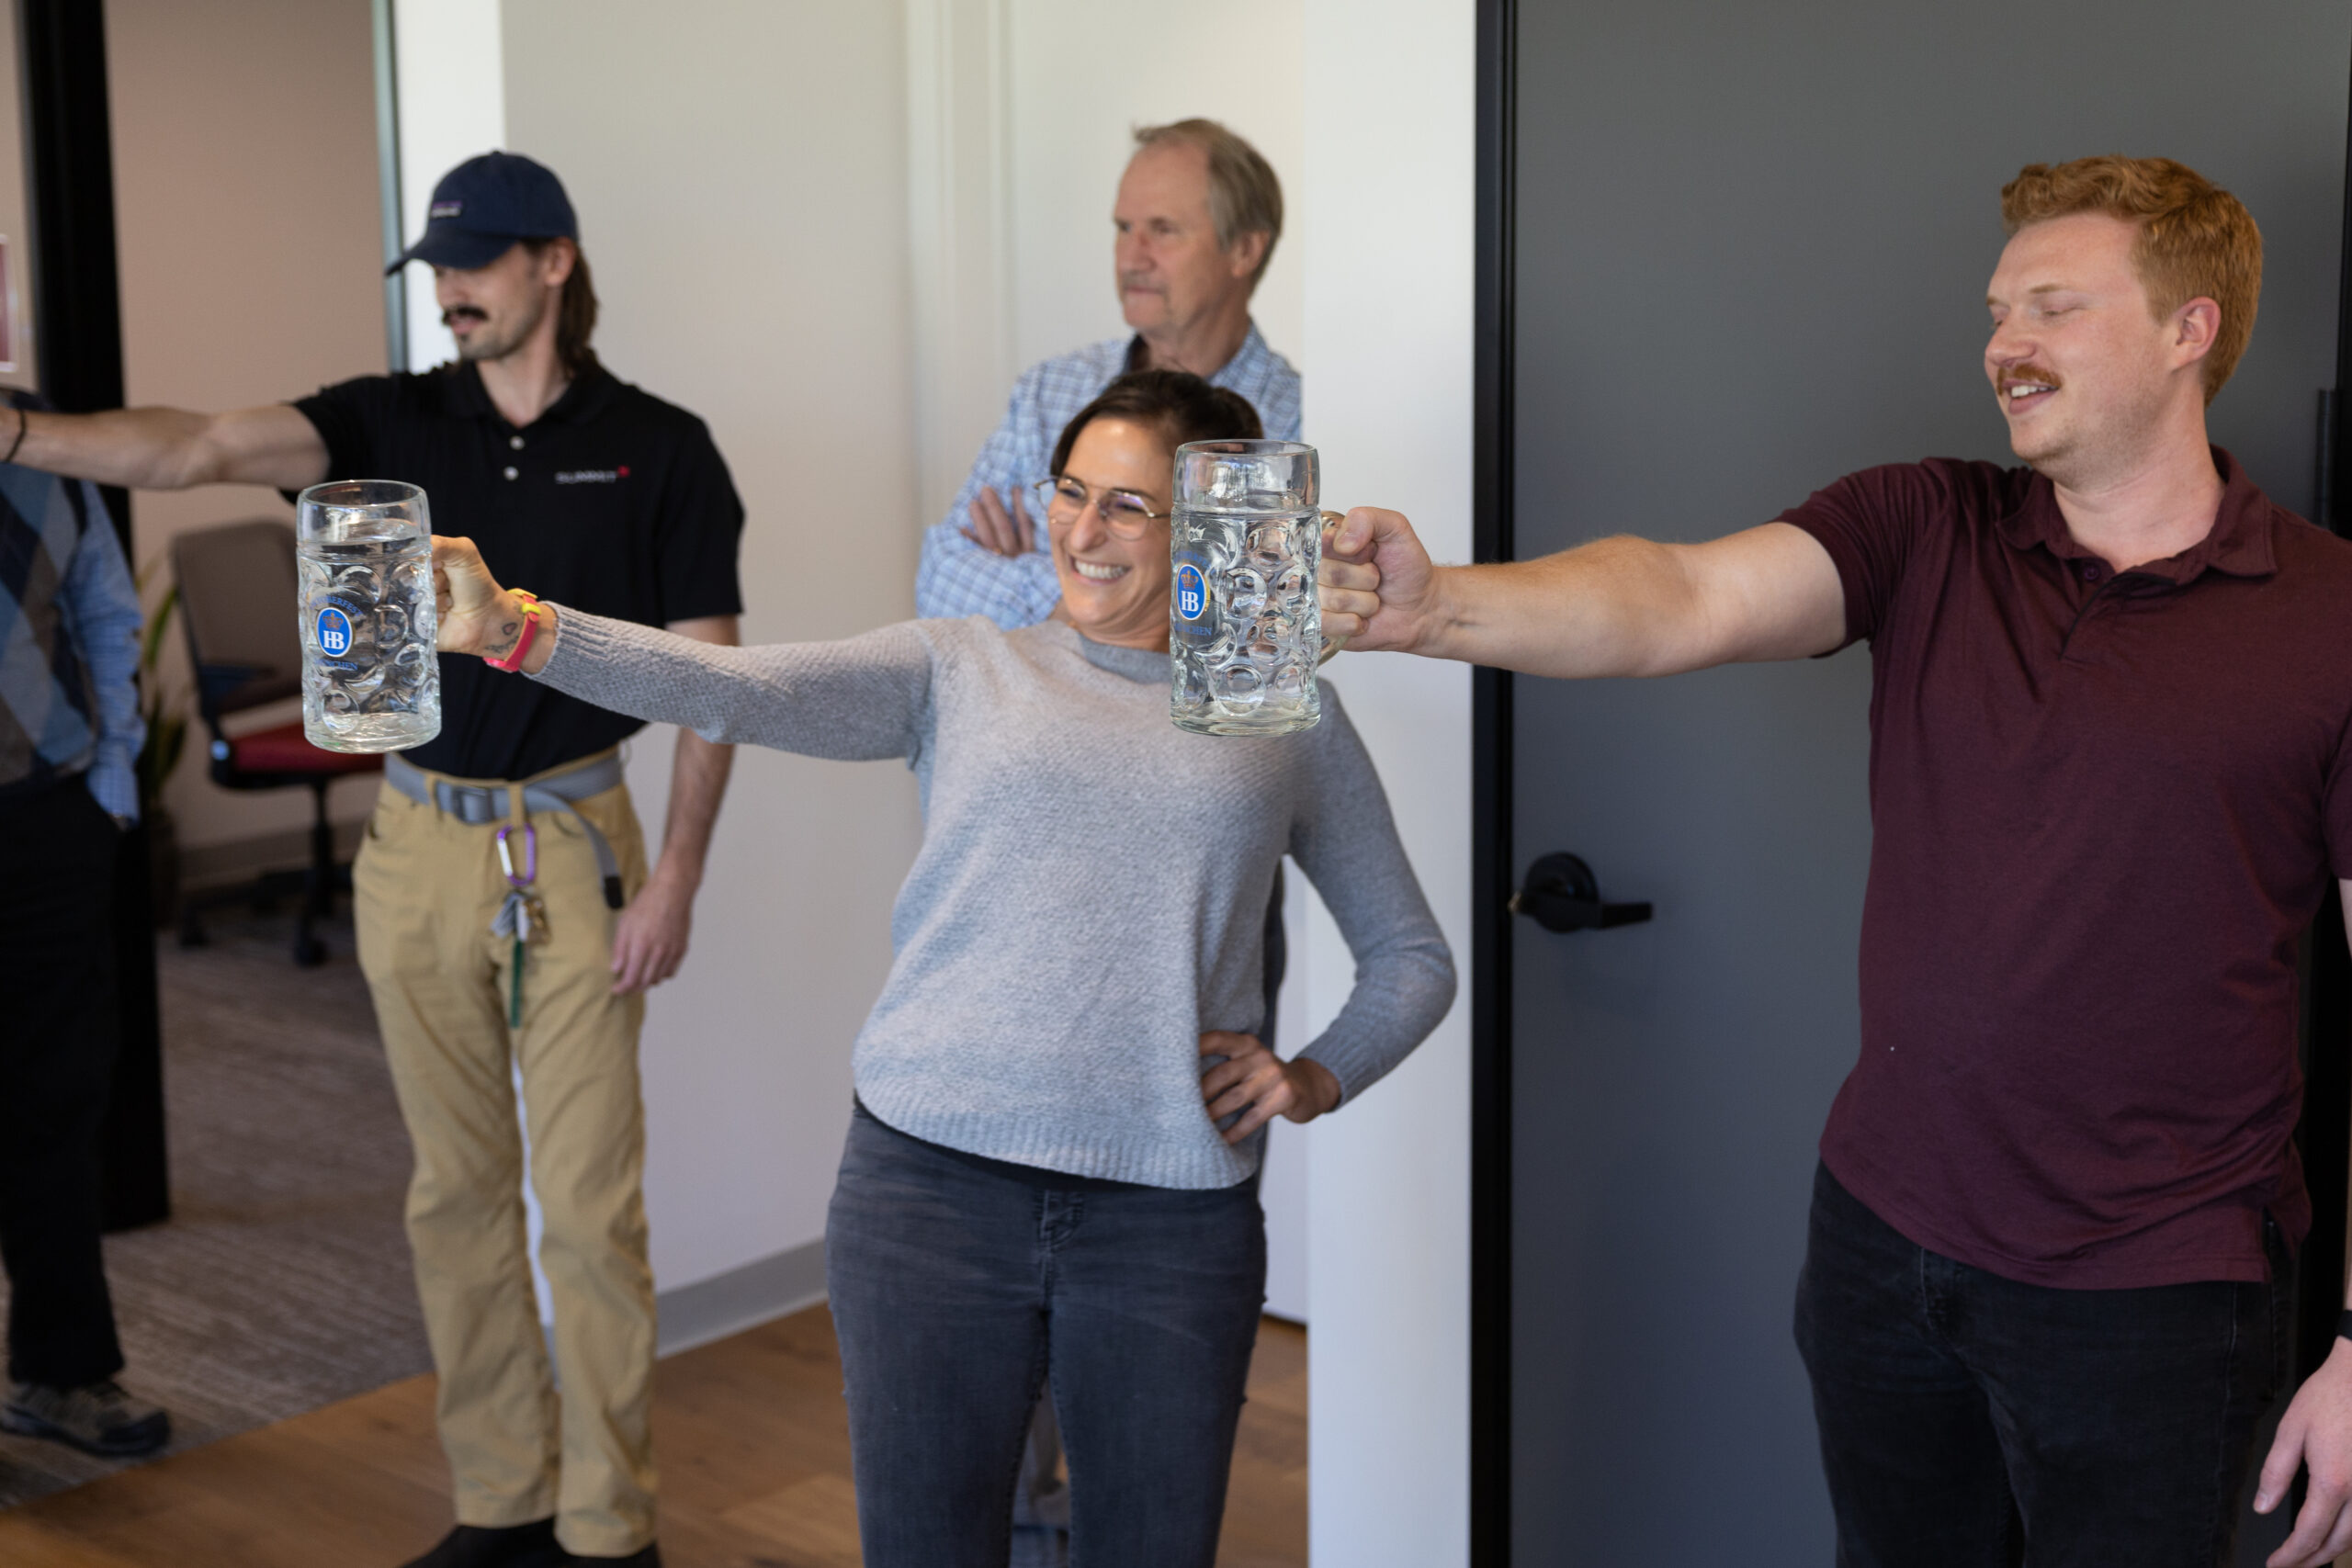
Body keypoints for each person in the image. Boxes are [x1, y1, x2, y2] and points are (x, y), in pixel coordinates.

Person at [1319, 154, 2352, 1565]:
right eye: (1998, 308)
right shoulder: (1929, 526)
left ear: (2192, 330)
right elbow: (1676, 593)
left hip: (2161, 1294)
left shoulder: (2330, 616)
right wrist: (1437, 611)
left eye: (2054, 304)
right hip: (1885, 1241)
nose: (2006, 342)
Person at [432, 369, 1455, 1568]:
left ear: (1215, 525)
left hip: (1167, 1220)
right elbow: (732, 685)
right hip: (926, 1196)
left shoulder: (1287, 715)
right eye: (1072, 491)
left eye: (1129, 504)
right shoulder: (961, 665)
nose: (1083, 529)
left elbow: (1411, 957)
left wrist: (1317, 1075)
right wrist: (518, 628)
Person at [16, 152, 744, 1568]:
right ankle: (502, 1502)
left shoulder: (663, 445)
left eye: (478, 262)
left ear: (555, 262)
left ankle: (610, 1526)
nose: (452, 289)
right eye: (438, 268)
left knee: (587, 1207)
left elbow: (716, 686)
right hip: (415, 845)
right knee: (452, 1192)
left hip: (583, 842)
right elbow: (191, 449)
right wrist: (17, 435)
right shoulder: (383, 419)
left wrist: (679, 880)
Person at [915, 118, 1301, 627]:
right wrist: (1115, 592)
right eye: (1123, 229)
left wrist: (1047, 577)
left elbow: (1260, 625)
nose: (1130, 258)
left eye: (1163, 230)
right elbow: (940, 581)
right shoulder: (1049, 390)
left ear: (1244, 250)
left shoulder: (1298, 425)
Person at [0, 406, 168, 1463]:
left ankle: (61, 1375)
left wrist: (109, 782)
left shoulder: (44, 458)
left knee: (56, 1102)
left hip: (44, 820)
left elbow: (107, 611)